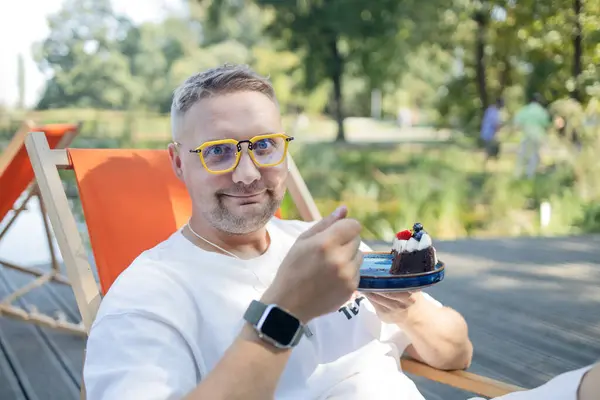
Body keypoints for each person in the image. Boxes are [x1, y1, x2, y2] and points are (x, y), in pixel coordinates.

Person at [82, 64, 473, 399]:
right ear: (178, 162)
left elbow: (457, 354)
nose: (248, 174)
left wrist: (407, 309)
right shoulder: (148, 296)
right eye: (218, 151)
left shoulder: (323, 247)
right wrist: (284, 312)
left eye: (264, 145)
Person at [513, 93, 551, 178]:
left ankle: (517, 175)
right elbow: (546, 126)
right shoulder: (542, 111)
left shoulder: (525, 110)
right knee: (534, 156)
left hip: (527, 136)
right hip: (538, 137)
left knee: (522, 156)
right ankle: (530, 175)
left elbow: (517, 124)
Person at [479, 98, 504, 164]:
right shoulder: (494, 111)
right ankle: (486, 165)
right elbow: (495, 124)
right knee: (491, 150)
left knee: (490, 149)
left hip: (487, 133)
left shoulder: (490, 109)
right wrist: (500, 127)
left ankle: (488, 165)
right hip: (488, 134)